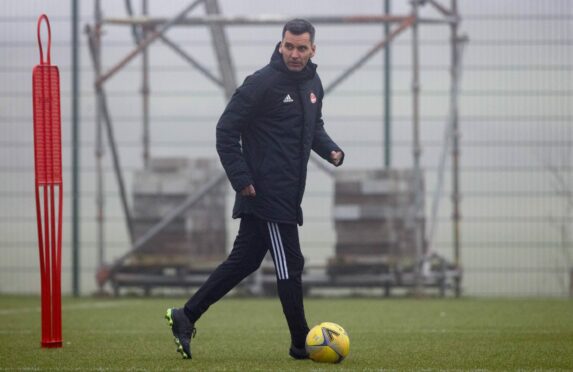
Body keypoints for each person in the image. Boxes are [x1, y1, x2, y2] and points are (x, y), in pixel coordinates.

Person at [165, 18, 344, 360]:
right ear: (281, 45)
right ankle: (300, 343)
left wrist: (331, 149)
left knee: (244, 261)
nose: (294, 53)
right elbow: (225, 130)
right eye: (288, 46)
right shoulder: (262, 83)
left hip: (289, 193)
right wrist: (242, 178)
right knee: (290, 263)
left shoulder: (313, 84)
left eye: (301, 48)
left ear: (312, 49)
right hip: (265, 193)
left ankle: (185, 315)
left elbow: (313, 126)